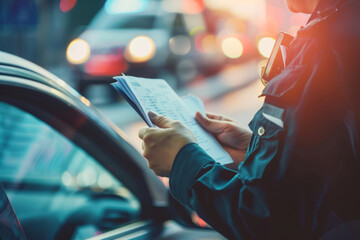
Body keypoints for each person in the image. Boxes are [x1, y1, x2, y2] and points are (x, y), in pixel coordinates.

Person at [138, 0, 360, 239]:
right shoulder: (346, 31)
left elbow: (265, 220)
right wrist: (255, 149)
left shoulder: (327, 47)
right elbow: (335, 168)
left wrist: (182, 161)